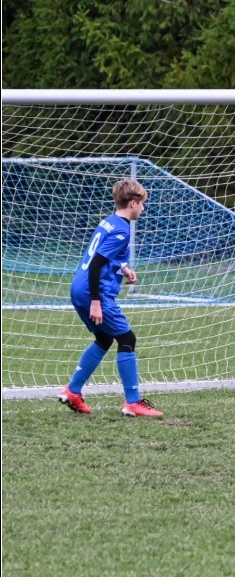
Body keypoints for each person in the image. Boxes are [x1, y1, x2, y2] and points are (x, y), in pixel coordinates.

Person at [59, 178, 163, 418]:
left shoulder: (109, 221)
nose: (143, 209)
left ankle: (73, 391)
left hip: (79, 287)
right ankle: (133, 402)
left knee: (104, 338)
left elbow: (104, 255)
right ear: (133, 203)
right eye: (142, 204)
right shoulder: (121, 230)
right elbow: (96, 264)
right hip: (93, 291)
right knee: (127, 338)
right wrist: (96, 302)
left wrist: (123, 268)